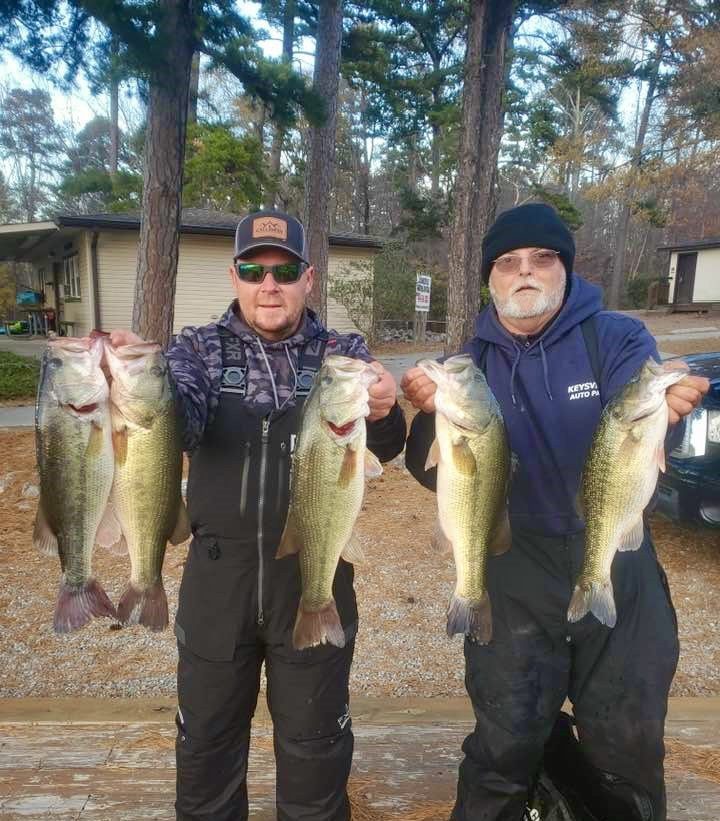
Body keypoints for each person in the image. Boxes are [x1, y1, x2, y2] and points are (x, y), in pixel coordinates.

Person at [401, 203, 709, 821]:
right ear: (490, 278)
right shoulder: (470, 366)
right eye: (508, 262)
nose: (525, 273)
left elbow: (647, 427)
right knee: (507, 733)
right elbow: (431, 472)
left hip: (613, 551)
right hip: (515, 564)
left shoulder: (615, 339)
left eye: (542, 259)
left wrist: (669, 406)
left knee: (626, 736)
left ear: (565, 269)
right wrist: (422, 416)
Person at [113, 209, 406, 821]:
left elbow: (382, 441)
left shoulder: (341, 354)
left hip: (315, 574)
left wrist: (383, 407)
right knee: (207, 748)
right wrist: (134, 387)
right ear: (235, 277)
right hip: (218, 581)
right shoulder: (195, 349)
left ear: (308, 279)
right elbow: (180, 420)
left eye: (284, 271)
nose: (268, 284)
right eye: (254, 270)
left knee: (316, 748)